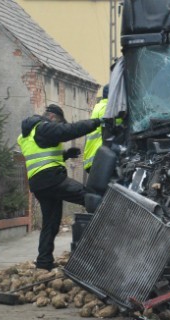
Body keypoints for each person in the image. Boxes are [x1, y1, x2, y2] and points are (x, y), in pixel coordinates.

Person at [17, 104, 100, 270]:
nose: (59, 126)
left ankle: (44, 263)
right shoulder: (42, 128)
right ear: (52, 117)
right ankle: (97, 247)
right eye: (59, 123)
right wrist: (96, 122)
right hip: (52, 180)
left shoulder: (28, 134)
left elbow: (41, 153)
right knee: (91, 198)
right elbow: (67, 131)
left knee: (50, 224)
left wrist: (66, 155)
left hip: (40, 185)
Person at [83, 85, 108, 172]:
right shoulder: (106, 108)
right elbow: (113, 120)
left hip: (94, 157)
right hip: (98, 157)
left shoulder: (99, 106)